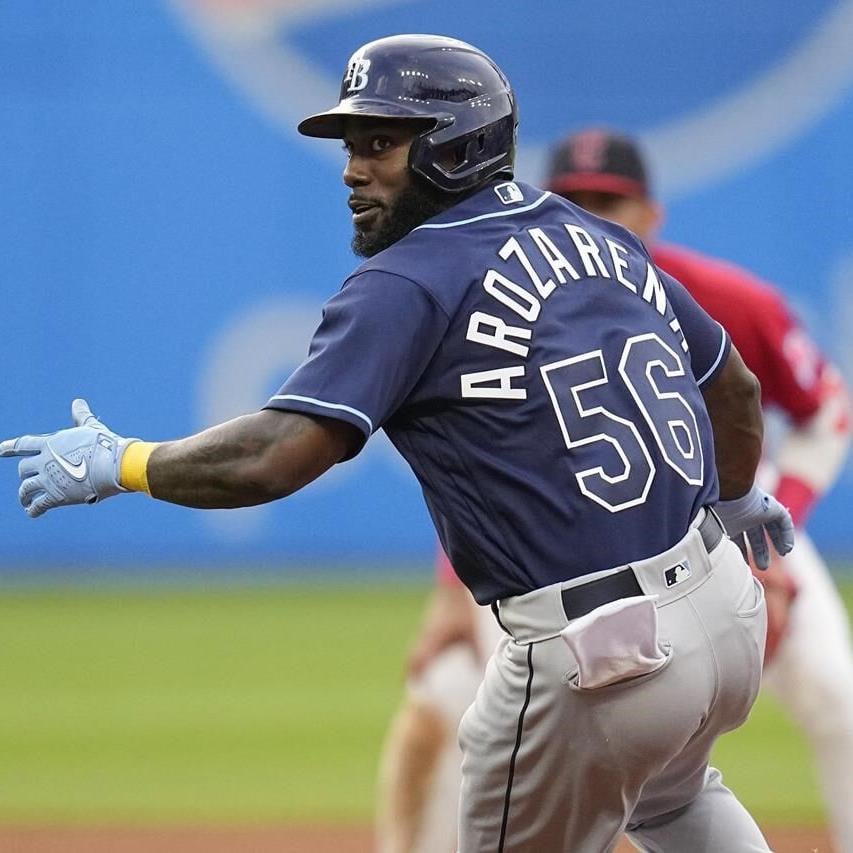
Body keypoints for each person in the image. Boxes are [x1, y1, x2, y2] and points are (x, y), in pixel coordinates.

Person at [0, 37, 794, 853]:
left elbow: (276, 453)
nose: (353, 168)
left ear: (458, 142)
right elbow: (730, 386)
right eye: (351, 145)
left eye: (381, 142)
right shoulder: (587, 233)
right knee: (672, 799)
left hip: (601, 654)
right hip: (722, 610)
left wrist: (126, 463)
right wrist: (734, 498)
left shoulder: (409, 278)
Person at [376, 127, 852, 853]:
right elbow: (491, 469)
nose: (592, 213)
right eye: (573, 199)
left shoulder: (722, 295)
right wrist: (449, 589)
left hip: (726, 515)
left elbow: (822, 409)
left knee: (838, 699)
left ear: (652, 218)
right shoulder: (502, 307)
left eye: (611, 201)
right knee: (451, 700)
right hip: (575, 540)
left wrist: (771, 524)